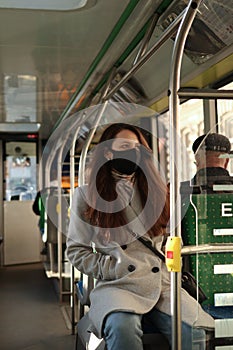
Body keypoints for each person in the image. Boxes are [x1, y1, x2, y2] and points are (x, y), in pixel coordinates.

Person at [66, 123, 214, 350]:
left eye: (137, 148)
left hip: (161, 282)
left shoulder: (159, 191)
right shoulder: (88, 195)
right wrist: (112, 267)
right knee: (122, 328)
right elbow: (77, 251)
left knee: (193, 331)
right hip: (118, 283)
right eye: (125, 146)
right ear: (108, 152)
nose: (132, 152)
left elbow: (171, 239)